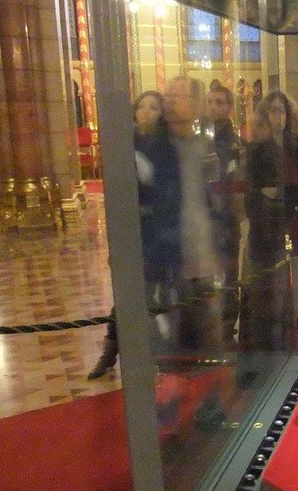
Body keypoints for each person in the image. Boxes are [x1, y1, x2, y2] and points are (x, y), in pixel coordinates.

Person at [87, 90, 166, 379]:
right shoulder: (123, 144)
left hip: (156, 233)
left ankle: (151, 355)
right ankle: (110, 352)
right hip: (127, 232)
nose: (146, 112)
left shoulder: (163, 146)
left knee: (149, 295)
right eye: (142, 107)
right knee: (125, 295)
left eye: (153, 107)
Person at [141, 76, 222, 353]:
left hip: (199, 254)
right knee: (172, 342)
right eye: (170, 96)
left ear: (197, 105)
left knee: (206, 336)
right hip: (168, 259)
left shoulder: (203, 147)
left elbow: (208, 201)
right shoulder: (154, 148)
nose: (172, 102)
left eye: (181, 96)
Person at [240, 90, 298, 351]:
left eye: (282, 111)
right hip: (267, 232)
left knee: (295, 300)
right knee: (269, 301)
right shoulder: (257, 150)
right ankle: (270, 354)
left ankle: (292, 350)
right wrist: (283, 197)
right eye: (273, 111)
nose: (278, 116)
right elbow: (254, 194)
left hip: (296, 229)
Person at [206, 85, 244, 347]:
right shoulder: (199, 138)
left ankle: (227, 327)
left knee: (230, 275)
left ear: (229, 108)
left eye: (220, 102)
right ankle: (205, 328)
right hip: (203, 216)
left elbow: (237, 182)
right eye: (210, 102)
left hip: (226, 217)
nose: (214, 107)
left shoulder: (235, 142)